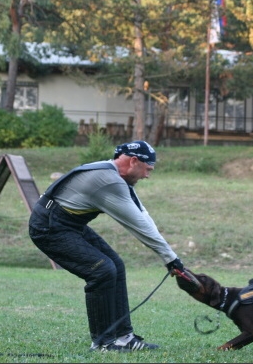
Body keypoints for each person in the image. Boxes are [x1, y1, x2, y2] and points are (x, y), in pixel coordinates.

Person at [28, 140, 196, 352]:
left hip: (70, 224)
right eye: (148, 169)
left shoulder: (115, 176)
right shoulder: (108, 180)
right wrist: (171, 260)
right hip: (48, 226)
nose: (147, 175)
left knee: (116, 265)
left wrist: (172, 258)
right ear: (134, 161)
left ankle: (124, 337)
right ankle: (103, 342)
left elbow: (142, 215)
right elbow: (138, 226)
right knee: (101, 270)